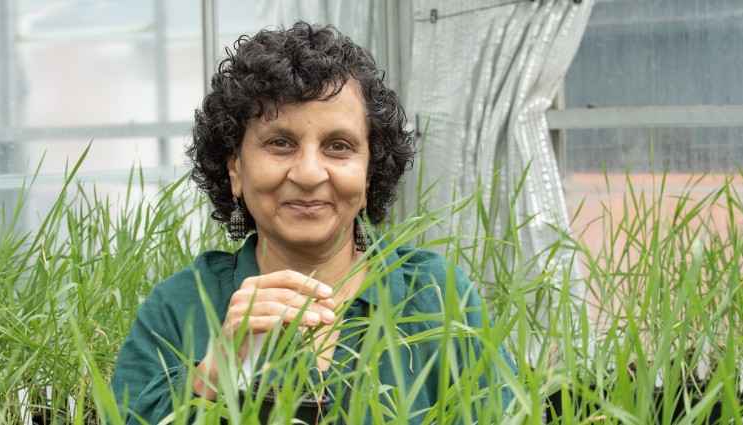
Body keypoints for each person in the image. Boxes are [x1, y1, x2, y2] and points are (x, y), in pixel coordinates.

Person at [111, 20, 515, 424]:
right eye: (280, 143)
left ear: (370, 171)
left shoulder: (436, 298)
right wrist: (212, 377)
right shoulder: (178, 308)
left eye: (338, 147)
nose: (308, 174)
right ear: (235, 166)